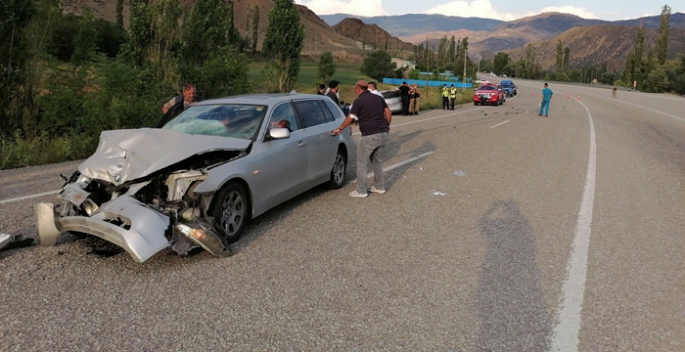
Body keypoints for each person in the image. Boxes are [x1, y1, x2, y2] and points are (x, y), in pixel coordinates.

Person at [332, 80, 391, 198]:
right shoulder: (378, 98)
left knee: (361, 162)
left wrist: (340, 128)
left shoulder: (359, 101)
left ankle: (361, 190)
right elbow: (388, 112)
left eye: (355, 90)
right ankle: (379, 187)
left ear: (358, 89)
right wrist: (387, 125)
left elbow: (351, 117)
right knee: (377, 161)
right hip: (383, 133)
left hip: (369, 135)